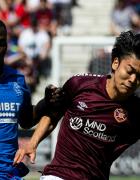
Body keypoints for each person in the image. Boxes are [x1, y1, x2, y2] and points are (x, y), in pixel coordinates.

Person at [14, 30, 140, 180]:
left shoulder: (135, 111)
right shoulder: (80, 84)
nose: (133, 79)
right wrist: (33, 142)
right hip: (58, 175)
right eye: (130, 71)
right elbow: (54, 114)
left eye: (139, 76)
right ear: (115, 63)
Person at [0, 16, 64, 179]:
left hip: (9, 172)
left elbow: (26, 120)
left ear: (7, 45)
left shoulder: (17, 79)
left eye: (0, 43)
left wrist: (46, 102)